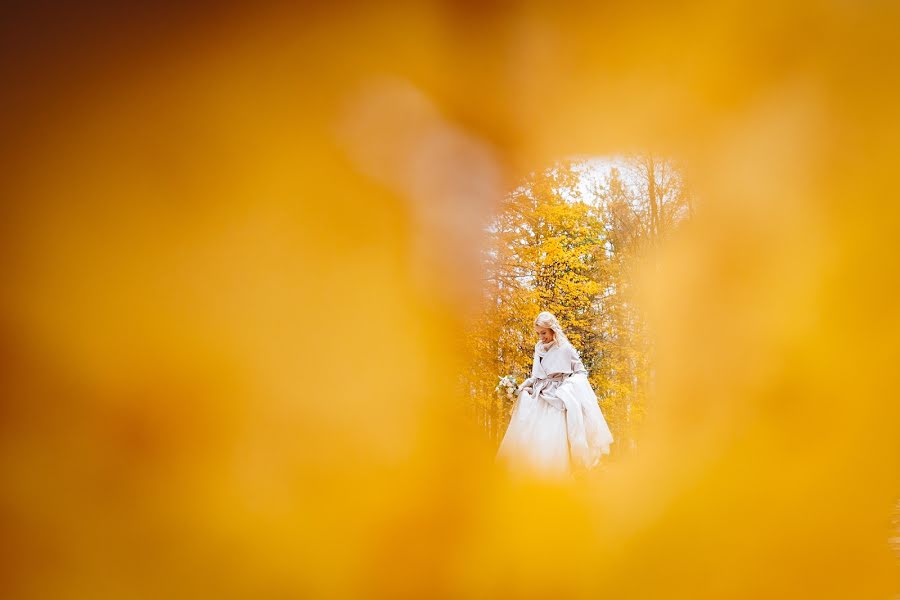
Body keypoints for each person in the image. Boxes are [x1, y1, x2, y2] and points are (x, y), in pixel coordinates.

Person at [496, 311, 614, 480]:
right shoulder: (539, 348)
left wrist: (567, 387)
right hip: (541, 394)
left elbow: (580, 372)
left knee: (553, 436)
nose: (541, 337)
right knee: (532, 433)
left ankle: (556, 478)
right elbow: (537, 376)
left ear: (552, 330)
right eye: (538, 333)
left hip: (558, 398)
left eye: (543, 333)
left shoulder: (565, 348)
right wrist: (522, 386)